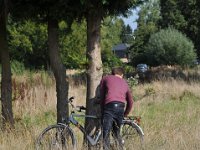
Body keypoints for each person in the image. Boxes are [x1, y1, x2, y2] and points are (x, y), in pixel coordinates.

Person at [100, 67, 133, 150]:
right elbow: (130, 102)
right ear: (122, 75)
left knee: (106, 132)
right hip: (121, 107)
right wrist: (125, 114)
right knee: (116, 133)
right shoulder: (125, 82)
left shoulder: (106, 78)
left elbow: (102, 96)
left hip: (110, 106)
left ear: (112, 73)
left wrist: (102, 110)